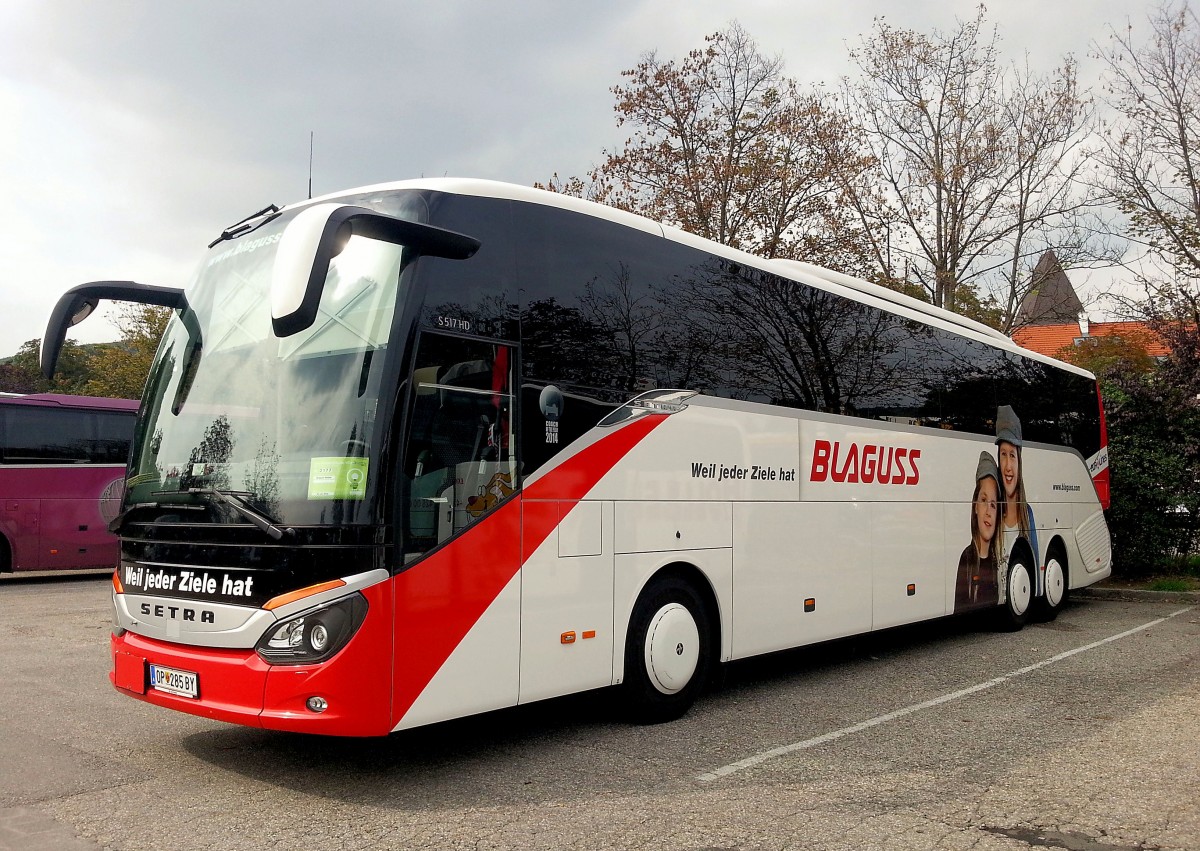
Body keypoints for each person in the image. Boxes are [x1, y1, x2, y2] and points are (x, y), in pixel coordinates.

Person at [995, 405, 1038, 603]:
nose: (1008, 466)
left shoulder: (1027, 515)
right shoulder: (992, 515)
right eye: (1003, 455)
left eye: (1012, 455)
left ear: (1019, 461)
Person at [955, 452, 1001, 613]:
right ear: (975, 506)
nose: (988, 511)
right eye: (983, 501)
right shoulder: (966, 558)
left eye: (994, 505)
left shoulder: (1000, 561)